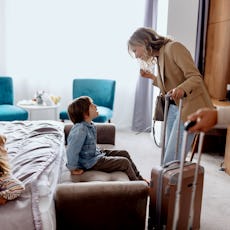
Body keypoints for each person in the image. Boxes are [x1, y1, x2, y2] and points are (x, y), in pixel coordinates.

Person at [128, 27, 214, 164]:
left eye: (135, 50)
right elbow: (169, 88)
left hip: (190, 107)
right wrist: (151, 77)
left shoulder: (174, 48)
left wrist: (181, 88)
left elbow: (195, 77)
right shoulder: (159, 56)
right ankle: (165, 181)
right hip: (174, 107)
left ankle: (165, 183)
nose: (136, 55)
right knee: (168, 152)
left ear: (144, 41)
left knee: (173, 156)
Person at [66, 96, 145, 181]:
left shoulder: (89, 124)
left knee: (124, 153)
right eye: (92, 105)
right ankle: (137, 184)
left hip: (95, 154)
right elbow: (72, 149)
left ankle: (140, 178)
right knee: (124, 162)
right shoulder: (80, 129)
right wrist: (73, 168)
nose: (96, 106)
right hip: (90, 162)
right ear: (85, 113)